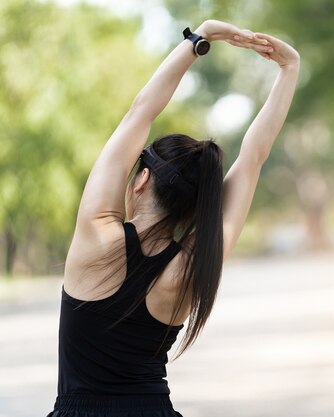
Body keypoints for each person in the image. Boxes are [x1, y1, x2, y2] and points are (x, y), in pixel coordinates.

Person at [46, 19, 299, 417]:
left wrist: (200, 37)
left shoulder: (96, 233)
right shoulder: (189, 268)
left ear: (142, 178)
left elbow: (139, 114)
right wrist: (289, 69)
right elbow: (253, 159)